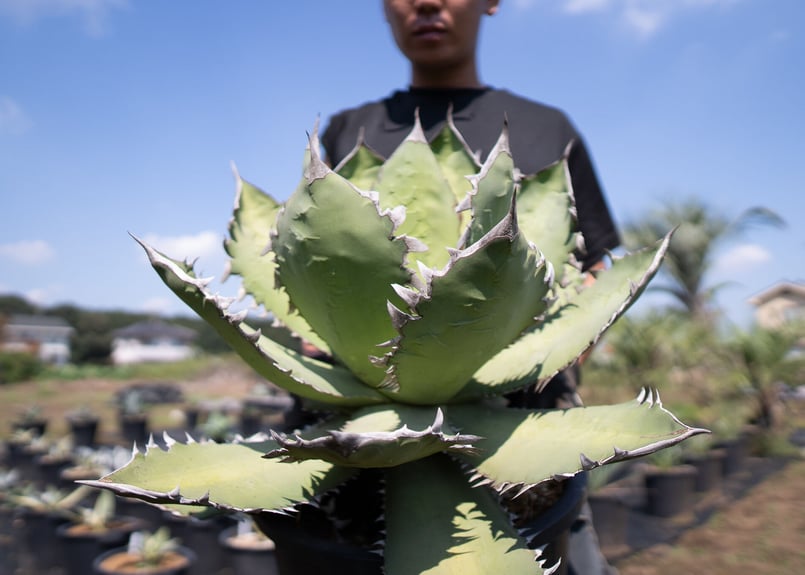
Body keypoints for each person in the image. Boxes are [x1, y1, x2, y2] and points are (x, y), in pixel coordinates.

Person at [319, 1, 621, 573]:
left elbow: (597, 266)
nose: (427, 3)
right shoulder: (344, 133)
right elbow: (309, 265)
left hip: (524, 423)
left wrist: (565, 344)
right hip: (365, 434)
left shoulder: (547, 130)